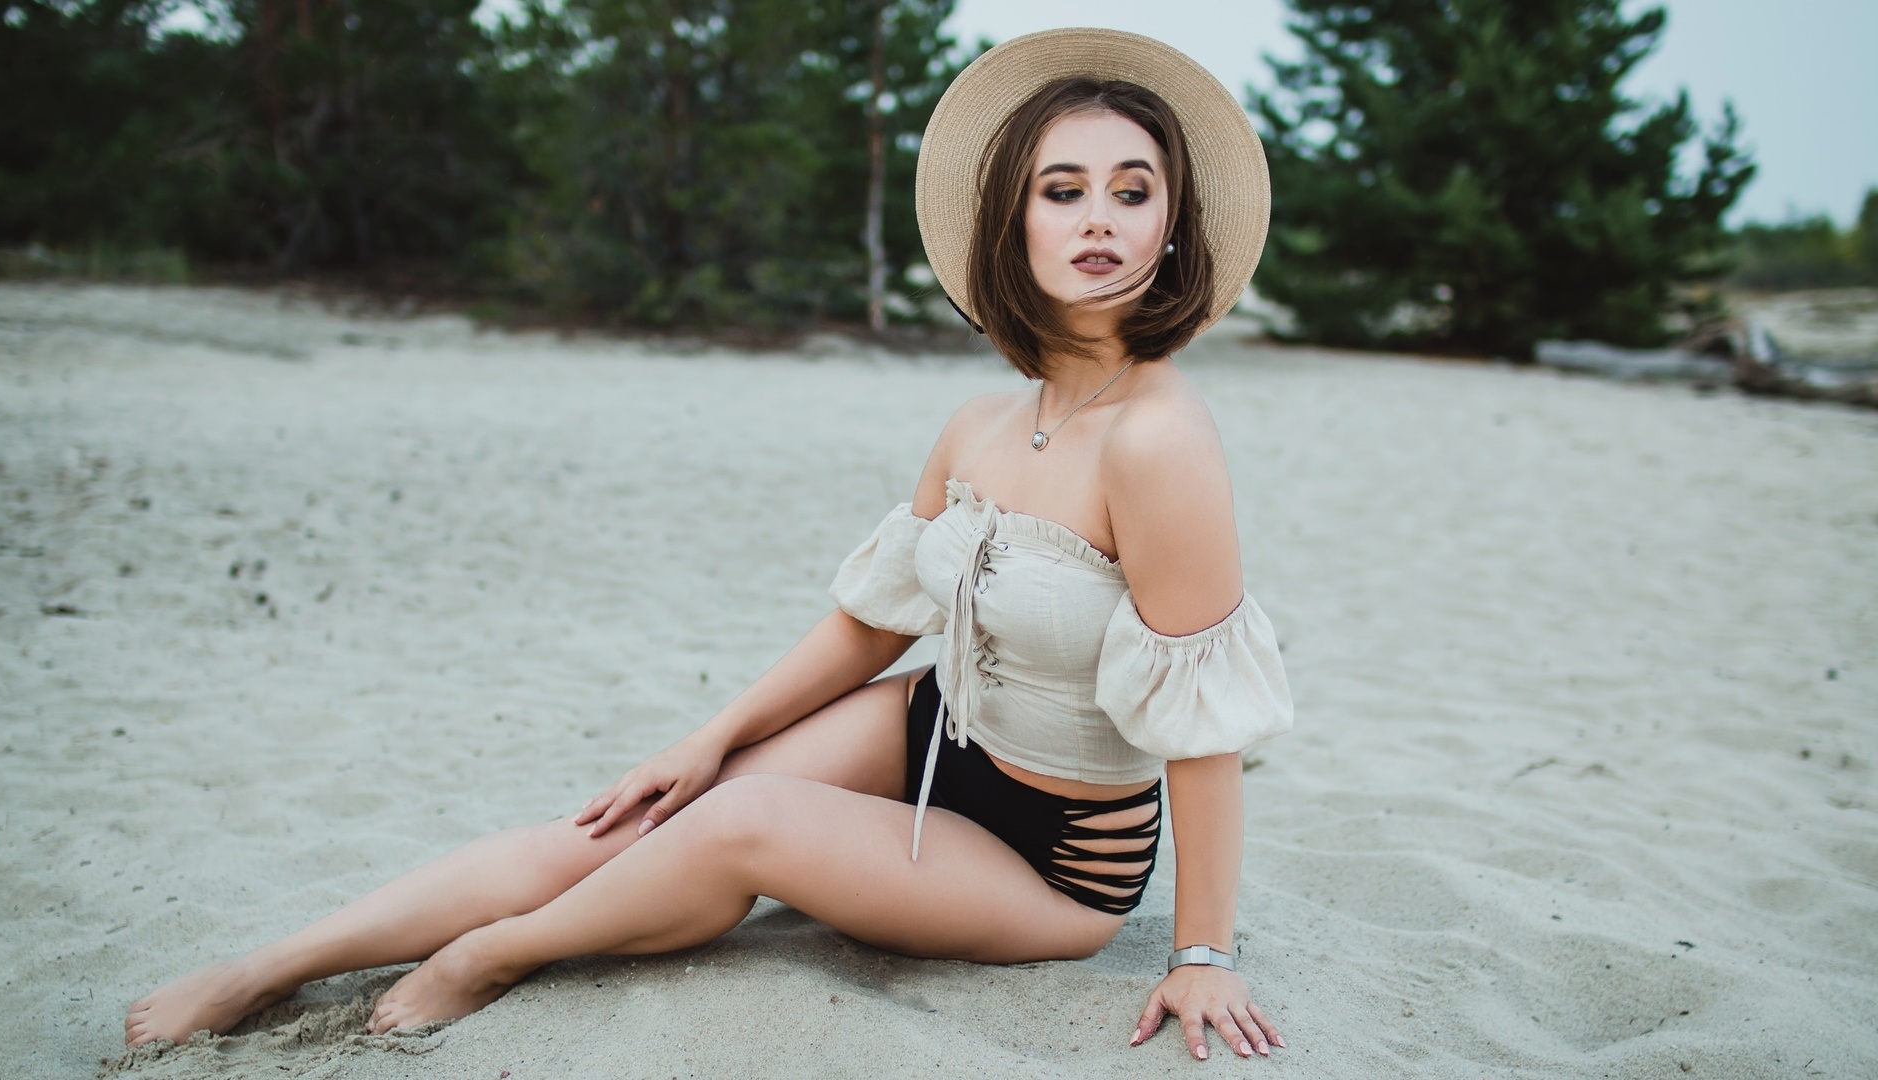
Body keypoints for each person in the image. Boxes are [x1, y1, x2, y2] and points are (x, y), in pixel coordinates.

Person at [124, 27, 1294, 1063]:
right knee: (642, 816)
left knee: (739, 830)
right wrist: (712, 734)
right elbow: (872, 622)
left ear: (1173, 224)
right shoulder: (981, 422)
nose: (1098, 217)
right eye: (1062, 188)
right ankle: (273, 966)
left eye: (1132, 191)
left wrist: (1202, 949)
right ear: (1013, 219)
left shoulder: (1161, 442)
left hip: (1058, 850)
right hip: (933, 729)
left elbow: (1205, 728)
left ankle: (497, 954)